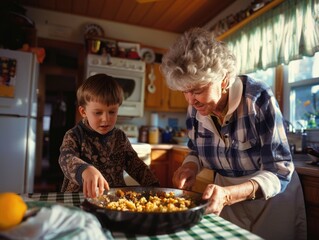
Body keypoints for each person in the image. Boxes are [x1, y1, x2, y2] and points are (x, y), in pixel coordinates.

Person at [160, 27, 307, 240]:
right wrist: (190, 166)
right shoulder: (196, 108)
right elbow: (196, 150)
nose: (190, 100)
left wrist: (229, 194)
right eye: (185, 91)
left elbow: (280, 171)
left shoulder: (258, 99)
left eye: (197, 90)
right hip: (225, 198)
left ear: (224, 80)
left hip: (271, 202)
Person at [58, 73, 160, 198]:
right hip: (80, 199)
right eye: (98, 113)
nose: (106, 119)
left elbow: (136, 165)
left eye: (112, 112)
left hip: (114, 199)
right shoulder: (74, 135)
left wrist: (156, 187)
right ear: (83, 112)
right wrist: (84, 169)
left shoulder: (120, 137)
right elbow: (65, 158)